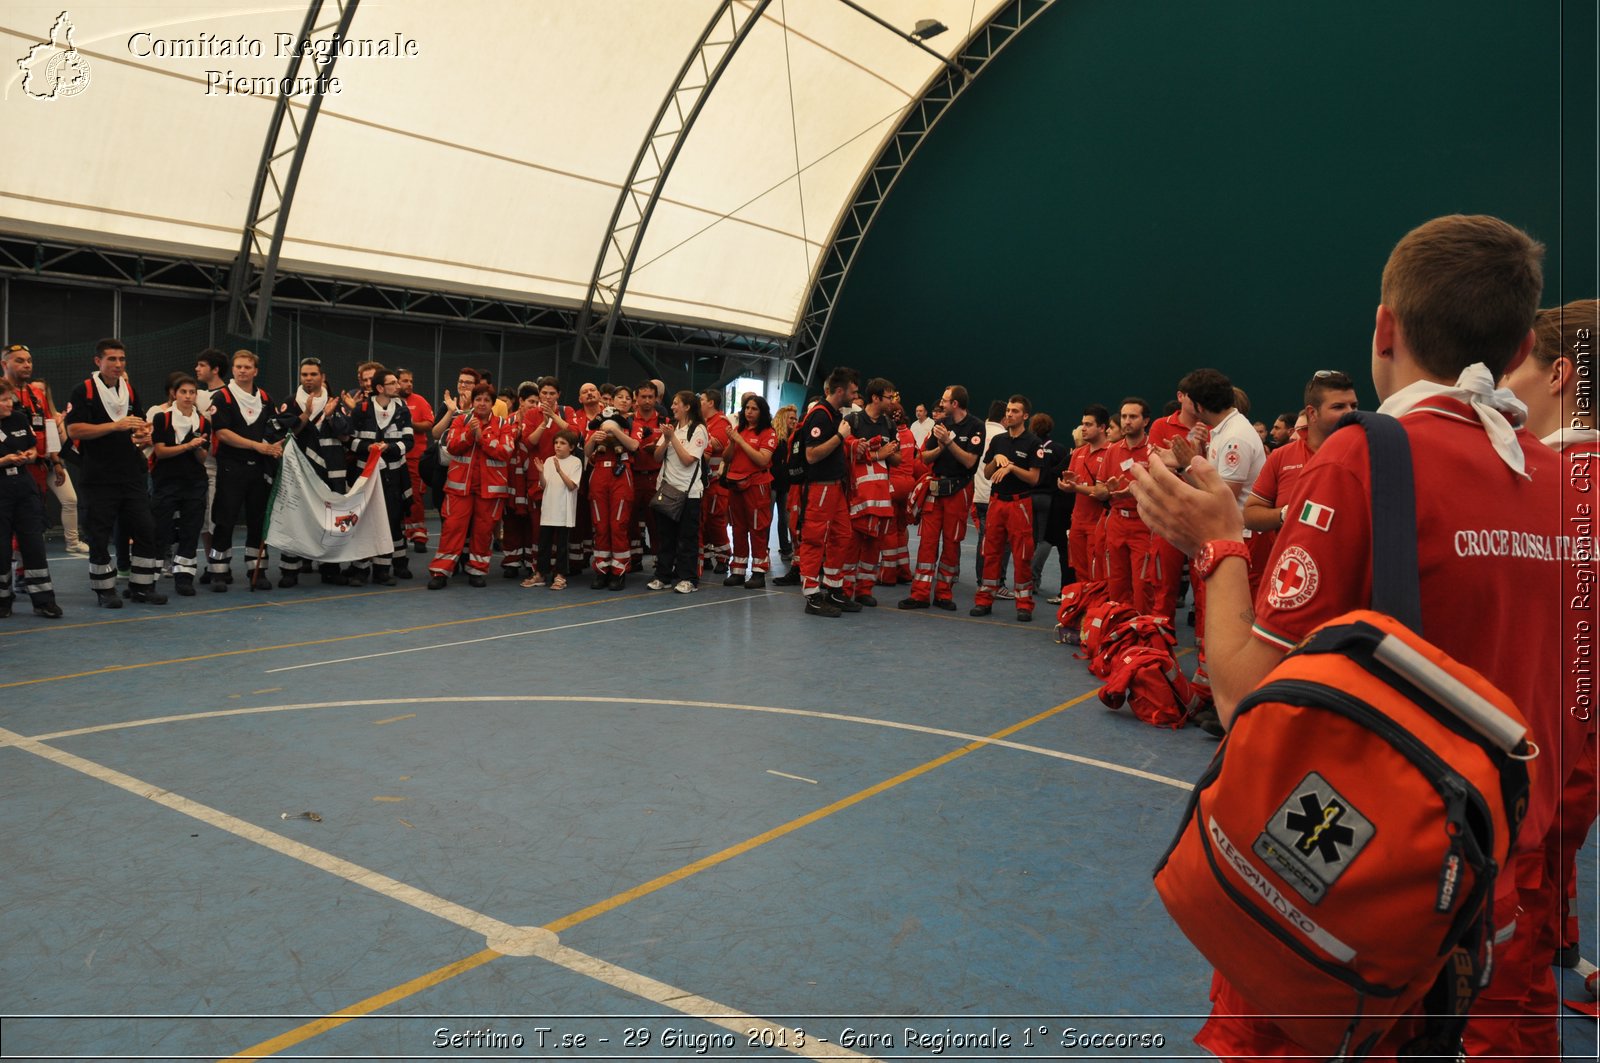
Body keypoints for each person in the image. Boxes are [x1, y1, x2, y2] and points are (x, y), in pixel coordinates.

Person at [1129, 213, 1561, 1061]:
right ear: (1517, 350)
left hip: (1357, 893)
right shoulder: (1554, 482)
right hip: (1489, 890)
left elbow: (1248, 694)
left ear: (1385, 327)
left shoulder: (1367, 456)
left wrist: (1217, 544)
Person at [1498, 297, 1600, 1027]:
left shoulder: (1546, 483)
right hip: (1575, 753)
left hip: (1537, 754)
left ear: (1561, 374)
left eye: (1519, 366)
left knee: (1504, 970)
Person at [64, 339, 167, 607]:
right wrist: (114, 426)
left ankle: (142, 586)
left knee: (146, 528)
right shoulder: (83, 390)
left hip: (131, 473)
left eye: (122, 359)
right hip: (99, 475)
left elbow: (139, 424)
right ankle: (104, 590)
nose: (118, 364)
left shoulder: (129, 390)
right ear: (98, 362)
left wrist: (144, 433)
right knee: (99, 534)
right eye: (112, 359)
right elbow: (74, 430)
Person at [900, 384, 983, 611]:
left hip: (959, 490)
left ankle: (944, 594)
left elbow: (969, 462)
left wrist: (948, 442)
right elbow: (925, 458)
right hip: (935, 487)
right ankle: (919, 594)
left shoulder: (976, 427)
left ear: (955, 404)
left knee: (951, 543)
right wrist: (940, 447)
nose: (941, 403)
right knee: (927, 541)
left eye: (945, 400)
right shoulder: (939, 424)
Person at [206, 349, 283, 592]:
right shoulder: (222, 398)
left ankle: (257, 571)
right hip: (232, 467)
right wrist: (257, 446)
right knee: (225, 518)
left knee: (258, 521)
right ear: (233, 369)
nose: (242, 370)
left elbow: (274, 430)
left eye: (247, 367)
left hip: (259, 470)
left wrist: (274, 446)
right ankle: (219, 571)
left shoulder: (265, 398)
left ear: (255, 371)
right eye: (238, 366)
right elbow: (222, 434)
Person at [428, 382, 516, 589]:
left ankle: (477, 570)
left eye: (486, 400)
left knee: (484, 531)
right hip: (460, 488)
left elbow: (506, 451)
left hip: (490, 490)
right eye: (478, 399)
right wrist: (469, 434)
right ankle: (441, 572)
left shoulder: (504, 424)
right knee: (452, 528)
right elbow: (452, 446)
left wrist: (482, 437)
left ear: (493, 404)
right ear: (473, 402)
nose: (482, 403)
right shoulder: (461, 420)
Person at [276, 356, 352, 587]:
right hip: (301, 470)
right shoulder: (291, 402)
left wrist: (330, 415)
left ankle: (330, 568)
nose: (309, 379)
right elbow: (285, 430)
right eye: (304, 375)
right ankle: (290, 570)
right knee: (295, 516)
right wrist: (306, 414)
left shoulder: (336, 403)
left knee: (332, 519)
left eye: (313, 374)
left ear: (322, 377)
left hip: (333, 470)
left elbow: (346, 435)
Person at [971, 395, 1042, 621]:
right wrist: (996, 459)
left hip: (1020, 504)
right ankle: (984, 599)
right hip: (996, 502)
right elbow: (987, 473)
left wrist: (1012, 467)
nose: (1010, 414)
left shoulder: (1032, 443)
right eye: (1009, 410)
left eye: (1015, 411)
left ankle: (1024, 604)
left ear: (1025, 416)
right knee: (990, 552)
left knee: (1022, 555)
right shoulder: (999, 440)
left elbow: (1033, 478)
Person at [797, 367, 860, 617]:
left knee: (842, 536)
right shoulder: (820, 416)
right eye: (853, 392)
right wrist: (840, 437)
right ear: (840, 390)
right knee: (814, 539)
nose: (855, 397)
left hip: (836, 488)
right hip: (820, 487)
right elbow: (811, 456)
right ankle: (812, 596)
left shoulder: (834, 415)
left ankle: (833, 589)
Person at [0, 344, 74, 551]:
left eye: (29, 361)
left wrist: (56, 462)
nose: (26, 365)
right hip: (6, 473)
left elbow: (49, 427)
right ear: (4, 364)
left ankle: (25, 572)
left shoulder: (36, 393)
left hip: (37, 468)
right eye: (20, 360)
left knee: (32, 522)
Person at [0, 378, 62, 617]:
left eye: (10, 398)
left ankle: (44, 600)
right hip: (1, 488)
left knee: (33, 543)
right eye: (4, 399)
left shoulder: (18, 418)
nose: (10, 403)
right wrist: (4, 461)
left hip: (24, 486)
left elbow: (34, 447)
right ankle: (3, 601)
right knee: (2, 547)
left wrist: (30, 454)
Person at [835, 379, 899, 608]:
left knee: (874, 545)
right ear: (875, 397)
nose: (892, 401)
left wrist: (889, 452)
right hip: (855, 497)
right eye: (889, 397)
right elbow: (843, 452)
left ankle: (864, 589)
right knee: (851, 544)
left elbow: (897, 459)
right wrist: (876, 453)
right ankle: (844, 589)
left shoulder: (889, 425)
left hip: (880, 498)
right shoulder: (853, 420)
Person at [348, 368, 414, 585]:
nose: (398, 386)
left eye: (397, 382)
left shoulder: (402, 409)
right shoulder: (362, 409)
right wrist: (369, 448)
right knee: (364, 520)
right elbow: (350, 441)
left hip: (393, 475)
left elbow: (409, 442)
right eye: (392, 383)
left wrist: (389, 448)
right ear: (380, 388)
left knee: (391, 519)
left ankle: (382, 570)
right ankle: (360, 570)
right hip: (366, 475)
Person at [148, 375, 211, 597]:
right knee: (160, 531)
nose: (187, 396)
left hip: (194, 484)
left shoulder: (203, 422)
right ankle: (148, 579)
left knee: (190, 531)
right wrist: (187, 445)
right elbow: (161, 452)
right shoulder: (162, 419)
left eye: (192, 392)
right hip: (166, 483)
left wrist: (197, 448)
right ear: (175, 394)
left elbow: (203, 458)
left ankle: (184, 578)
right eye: (183, 392)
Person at [648, 390, 708, 593]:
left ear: (687, 407)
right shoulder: (671, 429)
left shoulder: (698, 430)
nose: (672, 407)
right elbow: (656, 457)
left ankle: (689, 578)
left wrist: (672, 437)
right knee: (666, 537)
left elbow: (688, 459)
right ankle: (663, 576)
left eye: (676, 403)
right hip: (666, 490)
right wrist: (666, 439)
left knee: (687, 539)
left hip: (688, 494)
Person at [1097, 397, 1155, 610]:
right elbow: (1100, 490)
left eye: (1133, 416)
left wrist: (1134, 492)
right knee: (1116, 582)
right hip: (1116, 522)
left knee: (1142, 585)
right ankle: (1120, 633)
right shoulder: (1112, 450)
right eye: (1124, 416)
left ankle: (1142, 632)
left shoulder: (1153, 451)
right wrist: (1108, 490)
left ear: (1145, 420)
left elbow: (1164, 491)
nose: (1127, 421)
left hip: (1144, 522)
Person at [582, 391, 638, 590]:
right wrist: (594, 440)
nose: (623, 400)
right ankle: (602, 570)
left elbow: (634, 445)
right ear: (611, 401)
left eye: (627, 397)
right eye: (619, 397)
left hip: (621, 475)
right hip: (598, 473)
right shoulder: (597, 422)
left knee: (618, 524)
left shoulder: (632, 422)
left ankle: (619, 571)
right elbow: (586, 452)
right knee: (600, 525)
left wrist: (616, 431)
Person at [723, 394, 777, 589]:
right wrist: (732, 441)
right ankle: (737, 570)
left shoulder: (768, 433)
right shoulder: (739, 430)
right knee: (738, 528)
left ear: (761, 412)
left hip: (757, 486)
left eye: (754, 408)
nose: (749, 412)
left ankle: (758, 572)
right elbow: (727, 458)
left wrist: (741, 441)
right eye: (747, 408)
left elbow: (763, 460)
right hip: (736, 485)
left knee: (757, 529)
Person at [1058, 404, 1113, 591]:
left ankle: (1095, 613)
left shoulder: (1111, 452)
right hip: (1078, 522)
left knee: (1097, 572)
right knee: (1079, 571)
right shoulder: (1078, 452)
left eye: (1089, 424)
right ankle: (1083, 613)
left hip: (1098, 523)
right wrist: (1066, 486)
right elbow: (1074, 485)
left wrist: (1077, 487)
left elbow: (1103, 491)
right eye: (1083, 424)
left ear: (1102, 427)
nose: (1083, 428)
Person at [524, 429, 582, 590]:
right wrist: (542, 473)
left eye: (562, 443)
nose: (558, 446)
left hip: (564, 511)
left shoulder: (575, 462)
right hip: (549, 509)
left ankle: (560, 575)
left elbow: (572, 486)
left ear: (571, 447)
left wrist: (559, 470)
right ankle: (541, 574)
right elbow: (543, 485)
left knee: (562, 545)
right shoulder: (549, 461)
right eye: (556, 443)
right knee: (544, 544)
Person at [1026, 411, 1072, 600]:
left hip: (1030, 495)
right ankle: (1032, 578)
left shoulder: (1029, 445)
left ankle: (1029, 580)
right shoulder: (1059, 449)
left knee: (1033, 538)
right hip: (1049, 498)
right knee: (1044, 540)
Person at [879, 401, 922, 587]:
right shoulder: (910, 433)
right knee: (900, 529)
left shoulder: (890, 434)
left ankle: (887, 575)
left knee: (888, 530)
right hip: (908, 484)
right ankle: (904, 571)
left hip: (893, 484)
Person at [395, 367, 435, 552]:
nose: (409, 384)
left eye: (410, 381)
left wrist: (409, 424)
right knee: (396, 496)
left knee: (416, 496)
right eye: (404, 381)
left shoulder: (419, 401)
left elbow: (429, 424)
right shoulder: (389, 401)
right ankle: (399, 532)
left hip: (415, 457)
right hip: (394, 457)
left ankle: (419, 533)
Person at [628, 381, 664, 573]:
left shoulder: (665, 422)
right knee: (631, 520)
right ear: (636, 398)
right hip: (632, 476)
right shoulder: (628, 420)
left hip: (655, 477)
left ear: (656, 398)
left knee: (656, 521)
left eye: (651, 397)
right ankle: (634, 558)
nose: (648, 401)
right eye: (644, 396)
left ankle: (660, 559)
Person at [699, 389, 734, 576]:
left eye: (702, 399)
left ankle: (723, 557)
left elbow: (715, 446)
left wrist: (703, 441)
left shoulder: (721, 423)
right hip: (704, 482)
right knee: (703, 519)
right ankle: (705, 555)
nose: (700, 402)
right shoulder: (705, 423)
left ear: (711, 402)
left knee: (716, 520)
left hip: (716, 481)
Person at [770, 403, 799, 571]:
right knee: (768, 518)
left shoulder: (794, 437)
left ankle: (786, 548)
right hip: (772, 482)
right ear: (783, 418)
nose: (794, 421)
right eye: (791, 418)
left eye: (795, 418)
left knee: (786, 518)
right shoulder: (774, 436)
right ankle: (763, 551)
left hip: (786, 484)